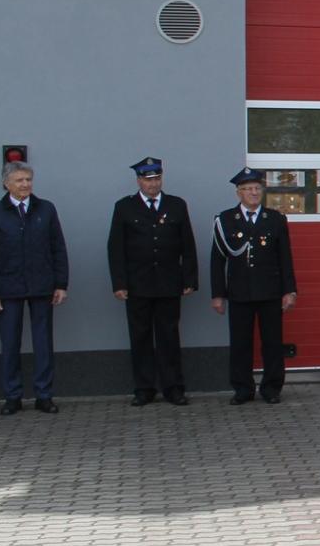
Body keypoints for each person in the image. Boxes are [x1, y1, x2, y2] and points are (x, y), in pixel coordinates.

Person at [0, 162, 70, 416]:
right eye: (19, 180)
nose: (25, 185)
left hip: (41, 286)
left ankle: (44, 394)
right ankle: (12, 396)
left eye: (28, 179)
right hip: (7, 288)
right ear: (6, 183)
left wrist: (61, 284)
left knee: (43, 343)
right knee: (10, 343)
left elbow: (58, 248)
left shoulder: (46, 209)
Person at [107, 157, 199, 407]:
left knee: (169, 336)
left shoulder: (176, 205)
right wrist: (119, 283)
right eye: (148, 180)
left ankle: (173, 388)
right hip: (138, 284)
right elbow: (116, 248)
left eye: (157, 179)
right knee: (140, 337)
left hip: (169, 282)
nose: (153, 184)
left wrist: (190, 278)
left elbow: (187, 244)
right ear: (139, 181)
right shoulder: (124, 207)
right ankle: (144, 388)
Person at [209, 168, 298, 405]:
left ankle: (271, 388)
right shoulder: (225, 220)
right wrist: (218, 294)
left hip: (270, 291)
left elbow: (285, 257)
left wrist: (290, 290)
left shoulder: (275, 219)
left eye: (257, 188)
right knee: (240, 344)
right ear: (238, 193)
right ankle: (242, 389)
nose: (253, 193)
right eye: (248, 189)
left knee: (272, 342)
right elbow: (217, 259)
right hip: (239, 292)